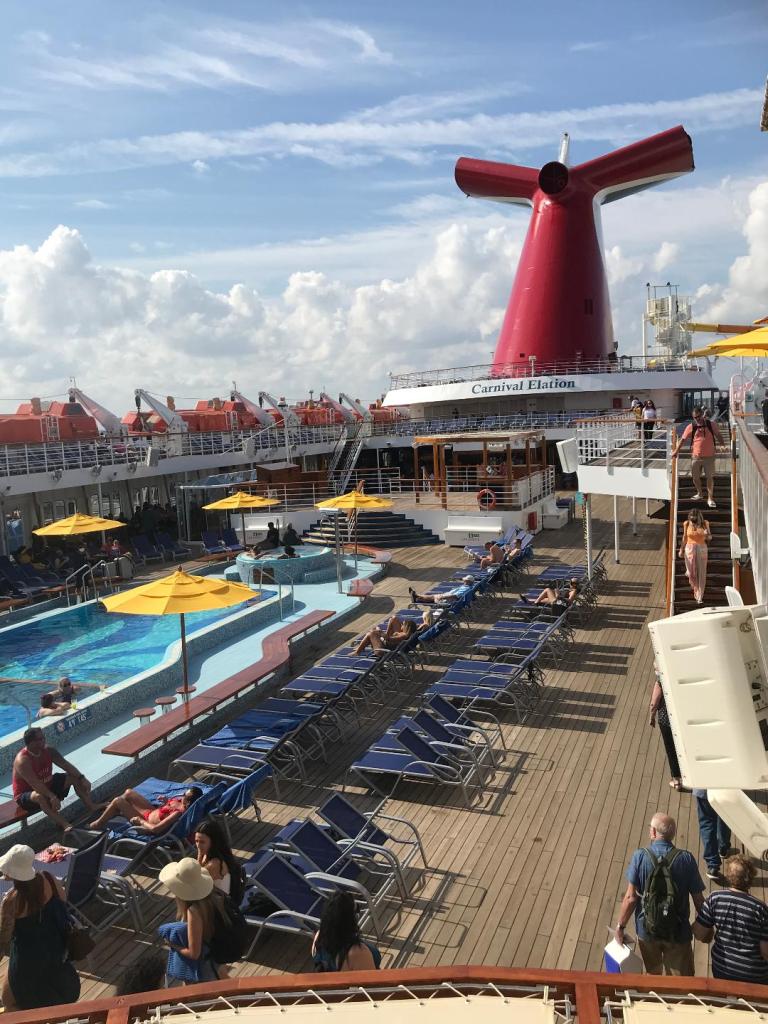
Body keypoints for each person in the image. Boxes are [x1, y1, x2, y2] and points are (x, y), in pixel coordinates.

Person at [615, 812, 705, 976]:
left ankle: (655, 987)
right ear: (672, 834)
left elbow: (630, 898)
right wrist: (704, 926)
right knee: (681, 980)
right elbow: (698, 899)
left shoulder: (640, 856)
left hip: (647, 929)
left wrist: (620, 927)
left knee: (653, 973)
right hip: (678, 931)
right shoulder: (686, 859)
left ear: (654, 832)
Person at [0, 845, 80, 1010]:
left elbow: (3, 939)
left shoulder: (11, 902)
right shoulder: (49, 879)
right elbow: (62, 904)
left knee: (8, 1002)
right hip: (55, 951)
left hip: (27, 964)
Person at [694, 854, 768, 984]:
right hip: (754, 975)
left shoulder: (715, 898)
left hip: (722, 969)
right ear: (751, 877)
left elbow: (699, 934)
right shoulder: (760, 908)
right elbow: (765, 951)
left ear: (728, 876)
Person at [12, 727, 101, 830]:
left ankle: (92, 806)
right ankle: (64, 824)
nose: (44, 740)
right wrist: (52, 796)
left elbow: (66, 765)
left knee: (73, 777)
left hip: (47, 785)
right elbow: (35, 784)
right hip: (26, 795)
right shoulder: (22, 761)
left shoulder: (48, 750)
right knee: (39, 796)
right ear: (31, 743)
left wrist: (82, 778)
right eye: (40, 739)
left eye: (44, 738)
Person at [157, 858, 222, 984]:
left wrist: (172, 944)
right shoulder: (212, 897)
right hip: (214, 957)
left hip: (202, 969)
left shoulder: (194, 912)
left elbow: (194, 953)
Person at [311, 891, 381, 972]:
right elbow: (372, 979)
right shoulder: (357, 953)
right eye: (356, 911)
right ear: (350, 920)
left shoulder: (318, 937)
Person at [671, 406, 724, 508]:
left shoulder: (711, 424)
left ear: (703, 415)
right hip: (696, 457)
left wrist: (722, 445)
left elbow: (718, 435)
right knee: (695, 477)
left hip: (709, 456)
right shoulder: (691, 426)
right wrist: (676, 451)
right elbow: (682, 439)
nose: (697, 419)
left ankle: (710, 498)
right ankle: (699, 493)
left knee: (709, 478)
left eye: (699, 416)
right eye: (695, 417)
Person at [89, 785, 202, 832]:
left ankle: (98, 824)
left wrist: (140, 821)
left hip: (146, 823)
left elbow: (155, 829)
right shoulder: (182, 803)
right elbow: (167, 810)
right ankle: (115, 809)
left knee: (118, 800)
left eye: (185, 795)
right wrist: (167, 801)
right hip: (151, 812)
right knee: (128, 793)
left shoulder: (177, 814)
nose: (182, 795)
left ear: (188, 802)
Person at [194, 818, 244, 906]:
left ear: (213, 842)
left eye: (202, 842)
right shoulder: (215, 854)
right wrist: (200, 854)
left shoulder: (214, 864)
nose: (198, 845)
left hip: (221, 907)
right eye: (196, 841)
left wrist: (199, 854)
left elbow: (196, 881)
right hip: (218, 900)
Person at [648, 671, 682, 790]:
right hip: (682, 719)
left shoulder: (661, 681)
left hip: (666, 720)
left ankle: (676, 780)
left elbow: (654, 703)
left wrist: (652, 717)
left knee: (671, 749)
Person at [693, 790, 732, 881]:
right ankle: (723, 848)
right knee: (725, 818)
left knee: (707, 823)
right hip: (726, 789)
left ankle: (713, 866)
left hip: (704, 789)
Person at [678, 509, 711, 604]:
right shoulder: (686, 523)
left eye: (695, 519)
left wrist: (706, 534)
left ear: (699, 518)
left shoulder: (705, 523)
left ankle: (699, 596)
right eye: (691, 518)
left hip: (701, 549)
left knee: (701, 573)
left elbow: (710, 538)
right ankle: (694, 587)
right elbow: (684, 537)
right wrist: (681, 549)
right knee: (691, 573)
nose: (693, 521)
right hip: (689, 549)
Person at [354, 614, 422, 656]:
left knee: (371, 633)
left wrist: (380, 632)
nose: (401, 624)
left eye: (403, 624)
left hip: (383, 650)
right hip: (390, 645)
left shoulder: (403, 636)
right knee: (393, 618)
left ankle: (357, 652)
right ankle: (361, 647)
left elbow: (389, 639)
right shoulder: (408, 634)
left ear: (406, 627)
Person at [408, 576, 475, 606]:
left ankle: (417, 599)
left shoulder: (465, 589)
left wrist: (443, 597)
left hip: (448, 601)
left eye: (465, 580)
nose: (464, 581)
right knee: (433, 596)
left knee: (434, 598)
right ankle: (416, 596)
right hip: (449, 598)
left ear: (468, 581)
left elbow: (455, 596)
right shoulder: (468, 587)